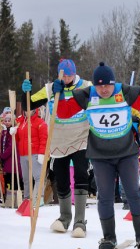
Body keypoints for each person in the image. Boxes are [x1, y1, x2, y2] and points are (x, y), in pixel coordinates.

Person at [53, 62, 140, 249]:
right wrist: (61, 92)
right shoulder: (88, 95)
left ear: (113, 83)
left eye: (107, 85)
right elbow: (63, 112)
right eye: (100, 86)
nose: (104, 89)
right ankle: (109, 238)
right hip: (100, 155)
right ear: (95, 86)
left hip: (126, 153)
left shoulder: (124, 93)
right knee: (105, 196)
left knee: (133, 193)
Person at [21, 59, 92, 236]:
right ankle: (64, 217)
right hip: (59, 140)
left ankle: (80, 220)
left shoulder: (85, 86)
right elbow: (30, 104)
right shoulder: (51, 88)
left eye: (69, 75)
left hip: (80, 138)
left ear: (74, 73)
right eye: (64, 75)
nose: (67, 78)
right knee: (61, 177)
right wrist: (26, 92)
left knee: (82, 175)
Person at [14, 106, 48, 204]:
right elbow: (19, 139)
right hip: (23, 154)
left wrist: (42, 153)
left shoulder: (40, 123)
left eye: (30, 110)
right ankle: (27, 199)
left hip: (35, 153)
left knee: (37, 177)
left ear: (34, 110)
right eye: (26, 110)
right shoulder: (21, 122)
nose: (27, 112)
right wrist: (14, 133)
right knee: (26, 178)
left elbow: (44, 139)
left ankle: (38, 198)